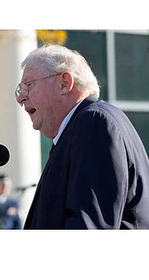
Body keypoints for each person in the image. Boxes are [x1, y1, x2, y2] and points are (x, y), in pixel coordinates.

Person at [15, 44, 149, 229]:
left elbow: (89, 225)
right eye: (20, 89)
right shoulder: (83, 125)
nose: (20, 98)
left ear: (64, 83)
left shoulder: (94, 123)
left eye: (28, 86)